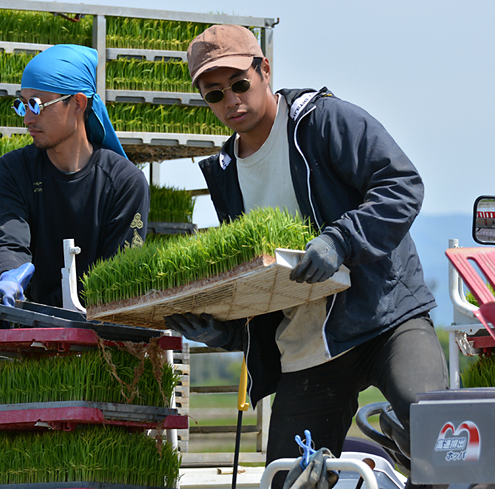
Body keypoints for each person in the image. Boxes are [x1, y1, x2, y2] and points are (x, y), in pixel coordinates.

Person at [165, 25, 448, 474]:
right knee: (286, 478)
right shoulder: (224, 171)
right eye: (215, 95)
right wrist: (226, 333)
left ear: (265, 71)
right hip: (307, 348)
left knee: (441, 435)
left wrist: (341, 239)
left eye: (240, 84)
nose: (232, 101)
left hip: (385, 318)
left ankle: (408, 442)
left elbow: (401, 185)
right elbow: (263, 282)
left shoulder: (322, 121)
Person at [0, 44, 149, 317]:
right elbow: (11, 243)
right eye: (22, 104)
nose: (27, 118)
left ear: (77, 103)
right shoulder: (12, 172)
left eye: (37, 105)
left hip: (99, 333)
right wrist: (11, 277)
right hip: (31, 329)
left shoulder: (124, 183)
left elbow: (118, 277)